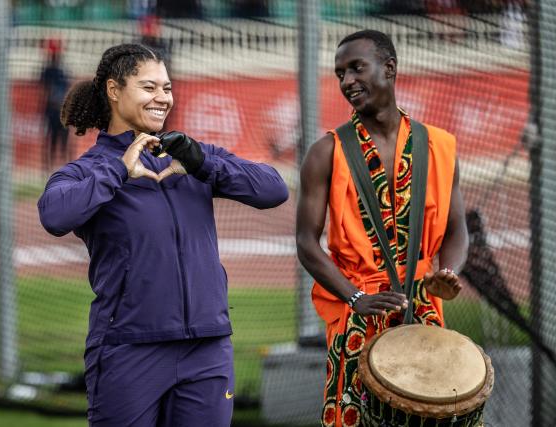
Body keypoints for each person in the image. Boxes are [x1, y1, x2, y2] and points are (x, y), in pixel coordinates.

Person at [37, 43, 288, 427]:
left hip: (207, 347)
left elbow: (273, 189)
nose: (163, 98)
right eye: (149, 87)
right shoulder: (89, 169)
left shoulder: (191, 156)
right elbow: (54, 214)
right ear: (114, 90)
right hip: (128, 348)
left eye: (167, 88)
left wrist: (203, 164)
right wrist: (119, 171)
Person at [295, 30, 469, 427]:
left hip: (423, 308)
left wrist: (448, 273)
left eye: (357, 68)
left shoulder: (439, 145)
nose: (347, 81)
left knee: (431, 416)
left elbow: (457, 228)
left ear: (389, 69)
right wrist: (354, 297)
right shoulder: (326, 152)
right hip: (357, 313)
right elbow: (307, 241)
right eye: (340, 74)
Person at [40, 39, 71, 173]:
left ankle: (68, 168)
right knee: (51, 140)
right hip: (51, 111)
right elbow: (44, 91)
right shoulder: (47, 71)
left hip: (62, 111)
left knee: (64, 142)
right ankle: (48, 168)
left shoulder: (63, 71)